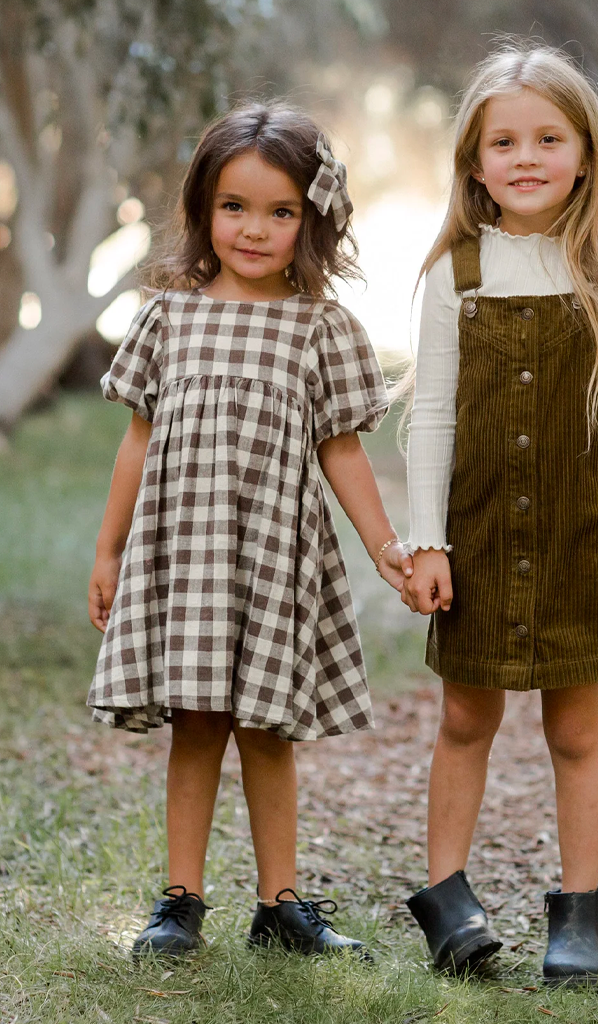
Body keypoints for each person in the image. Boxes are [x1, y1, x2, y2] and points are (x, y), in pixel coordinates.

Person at [88, 102, 412, 960]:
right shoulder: (167, 317)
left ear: (312, 220)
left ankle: (281, 907)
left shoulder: (321, 326)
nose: (255, 229)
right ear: (203, 208)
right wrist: (109, 550)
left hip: (272, 556)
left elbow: (340, 450)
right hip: (184, 555)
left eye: (280, 211)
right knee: (196, 725)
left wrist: (386, 548)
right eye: (234, 206)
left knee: (267, 729)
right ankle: (180, 901)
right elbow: (138, 440)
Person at [400, 39, 598, 983]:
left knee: (574, 729)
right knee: (464, 719)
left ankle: (578, 914)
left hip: (585, 530)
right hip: (480, 533)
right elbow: (431, 415)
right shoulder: (456, 272)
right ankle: (446, 900)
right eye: (504, 142)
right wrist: (427, 540)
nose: (525, 158)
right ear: (474, 163)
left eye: (547, 139)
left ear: (586, 154)